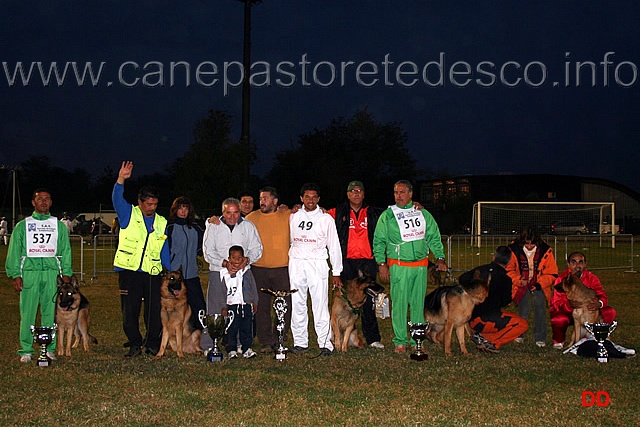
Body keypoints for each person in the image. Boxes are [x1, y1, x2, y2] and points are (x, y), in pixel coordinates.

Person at [373, 180, 447, 354]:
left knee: (417, 305)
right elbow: (379, 241)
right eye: (396, 192)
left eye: (402, 192)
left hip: (420, 266)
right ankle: (400, 341)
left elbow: (433, 236)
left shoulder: (423, 213)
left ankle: (417, 340)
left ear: (411, 194)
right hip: (399, 267)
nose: (398, 196)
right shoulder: (388, 215)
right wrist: (381, 263)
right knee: (399, 305)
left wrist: (440, 257)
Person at [5, 188, 72, 362]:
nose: (43, 201)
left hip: (51, 274)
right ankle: (26, 349)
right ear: (33, 203)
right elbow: (14, 251)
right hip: (29, 273)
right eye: (39, 199)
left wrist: (66, 273)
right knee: (27, 312)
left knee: (50, 312)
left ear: (51, 202)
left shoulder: (58, 226)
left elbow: (65, 250)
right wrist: (15, 275)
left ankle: (49, 348)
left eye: (47, 199)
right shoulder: (22, 226)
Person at [112, 161, 170, 358]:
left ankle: (152, 343)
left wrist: (168, 271)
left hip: (152, 273)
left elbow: (163, 248)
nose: (152, 207)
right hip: (129, 272)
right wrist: (121, 179)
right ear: (140, 202)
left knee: (153, 312)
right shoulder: (128, 213)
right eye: (148, 204)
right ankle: (134, 343)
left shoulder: (162, 222)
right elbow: (116, 198)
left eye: (155, 204)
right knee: (130, 311)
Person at [326, 180, 385, 349]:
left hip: (367, 262)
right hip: (347, 262)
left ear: (364, 194)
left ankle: (373, 338)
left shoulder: (373, 212)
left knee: (367, 301)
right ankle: (342, 335)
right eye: (353, 191)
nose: (356, 193)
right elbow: (317, 213)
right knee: (344, 300)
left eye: (359, 191)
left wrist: (415, 206)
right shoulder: (337, 212)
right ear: (348, 194)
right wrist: (292, 209)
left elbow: (394, 213)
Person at [288, 183, 343, 356]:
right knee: (297, 303)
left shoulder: (326, 218)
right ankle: (300, 342)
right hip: (297, 262)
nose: (310, 200)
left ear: (318, 199)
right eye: (307, 197)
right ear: (301, 198)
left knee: (320, 305)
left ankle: (325, 343)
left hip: (317, 263)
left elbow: (334, 246)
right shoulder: (293, 216)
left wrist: (336, 271)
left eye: (314, 197)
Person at [202, 197, 262, 352]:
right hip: (219, 272)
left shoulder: (248, 226)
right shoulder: (214, 226)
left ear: (240, 211)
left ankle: (239, 343)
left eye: (236, 212)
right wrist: (225, 264)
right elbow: (208, 252)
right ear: (223, 212)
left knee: (239, 310)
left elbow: (257, 248)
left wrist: (246, 261)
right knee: (215, 309)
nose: (232, 216)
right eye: (228, 212)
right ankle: (210, 345)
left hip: (243, 273)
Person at [245, 186, 293, 353]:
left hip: (282, 270)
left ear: (275, 201)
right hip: (259, 270)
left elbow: (304, 212)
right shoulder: (251, 218)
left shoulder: (287, 215)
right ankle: (265, 341)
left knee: (284, 306)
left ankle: (280, 337)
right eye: (260, 199)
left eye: (265, 198)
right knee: (261, 306)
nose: (261, 202)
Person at [465, 246, 529, 353]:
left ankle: (482, 336)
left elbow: (463, 279)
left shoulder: (480, 270)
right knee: (521, 324)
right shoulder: (505, 279)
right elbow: (506, 301)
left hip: (470, 317)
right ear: (508, 261)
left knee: (500, 320)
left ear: (494, 256)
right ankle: (491, 342)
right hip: (487, 319)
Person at [550, 251, 616, 349]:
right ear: (568, 264)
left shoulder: (592, 278)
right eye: (574, 262)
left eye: (580, 262)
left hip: (589, 312)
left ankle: (599, 336)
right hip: (568, 312)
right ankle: (559, 341)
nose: (577, 266)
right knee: (559, 319)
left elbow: (602, 295)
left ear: (585, 264)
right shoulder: (561, 280)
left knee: (610, 312)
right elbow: (556, 303)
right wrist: (569, 305)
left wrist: (599, 303)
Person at [506, 226, 558, 347]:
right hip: (521, 285)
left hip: (539, 285)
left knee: (540, 309)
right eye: (526, 244)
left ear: (537, 242)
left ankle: (540, 337)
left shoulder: (546, 251)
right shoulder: (513, 250)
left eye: (532, 244)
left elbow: (552, 273)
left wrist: (540, 284)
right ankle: (519, 334)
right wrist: (519, 280)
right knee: (523, 310)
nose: (529, 247)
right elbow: (508, 270)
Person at [207, 245, 259, 359]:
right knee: (232, 329)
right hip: (232, 305)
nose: (237, 261)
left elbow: (253, 288)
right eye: (234, 258)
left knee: (246, 327)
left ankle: (247, 348)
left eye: (239, 258)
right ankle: (231, 349)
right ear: (229, 259)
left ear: (244, 258)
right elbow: (222, 292)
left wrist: (254, 302)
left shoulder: (247, 272)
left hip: (245, 305)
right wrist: (223, 306)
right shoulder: (224, 274)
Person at [166, 196, 206, 331]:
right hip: (174, 276)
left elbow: (204, 244)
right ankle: (167, 335)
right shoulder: (169, 227)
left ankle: (200, 334)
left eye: (186, 208)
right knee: (171, 308)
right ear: (175, 210)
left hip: (192, 274)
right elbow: (164, 249)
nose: (183, 211)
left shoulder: (195, 228)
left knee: (199, 306)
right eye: (180, 208)